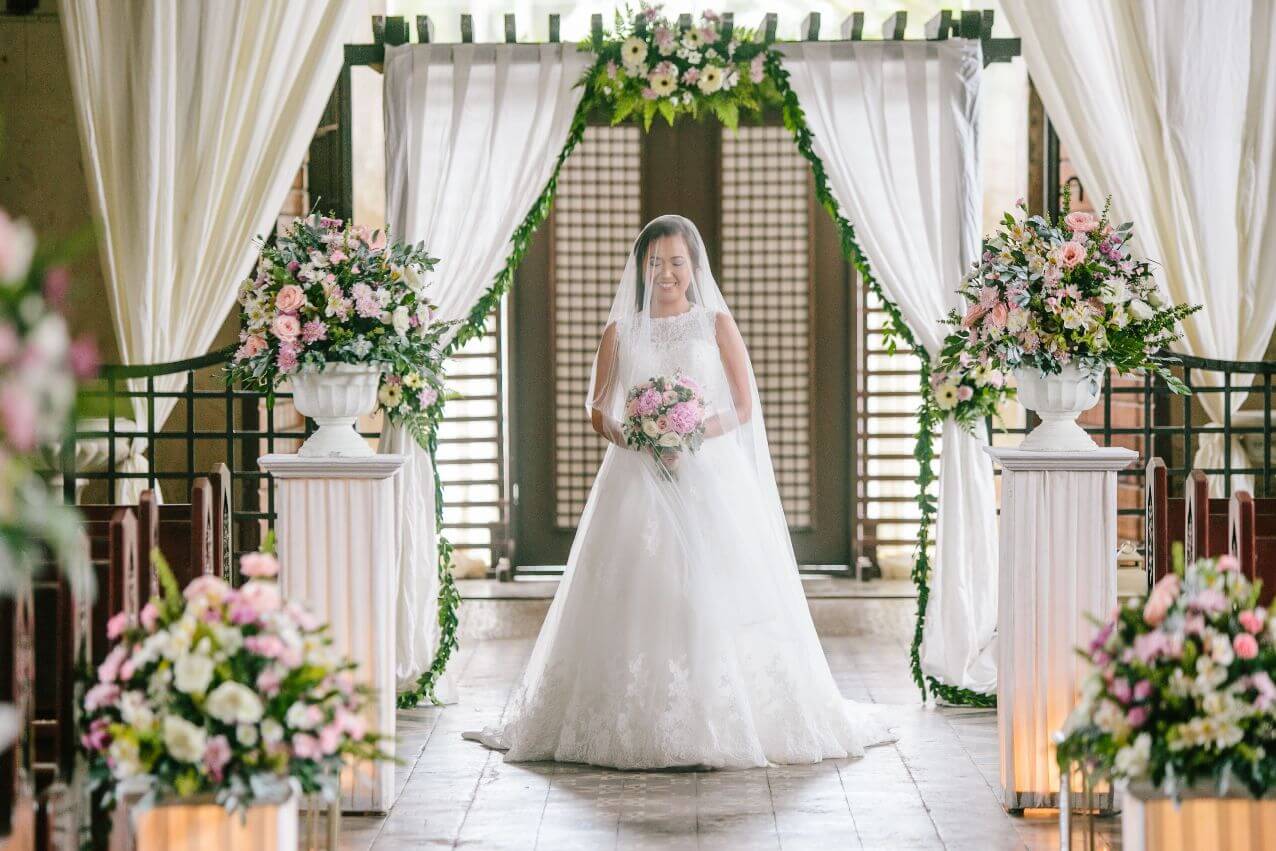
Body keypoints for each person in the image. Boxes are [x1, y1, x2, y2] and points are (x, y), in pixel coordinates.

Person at [464, 215, 894, 769]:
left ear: (694, 267)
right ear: (641, 268)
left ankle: (721, 716)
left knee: (710, 588)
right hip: (635, 475)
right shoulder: (621, 331)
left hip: (707, 475)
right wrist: (634, 434)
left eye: (676, 262)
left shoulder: (714, 323)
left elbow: (743, 407)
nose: (665, 273)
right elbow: (596, 407)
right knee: (638, 585)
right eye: (654, 262)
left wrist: (689, 432)